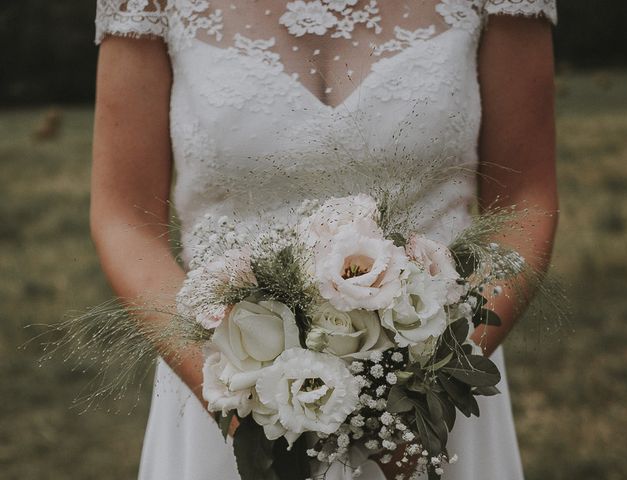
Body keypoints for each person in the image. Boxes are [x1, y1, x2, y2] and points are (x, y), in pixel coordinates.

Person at [91, 1, 558, 478]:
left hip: (429, 409)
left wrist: (435, 382)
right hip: (229, 397)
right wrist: (241, 403)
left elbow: (526, 201)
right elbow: (124, 218)